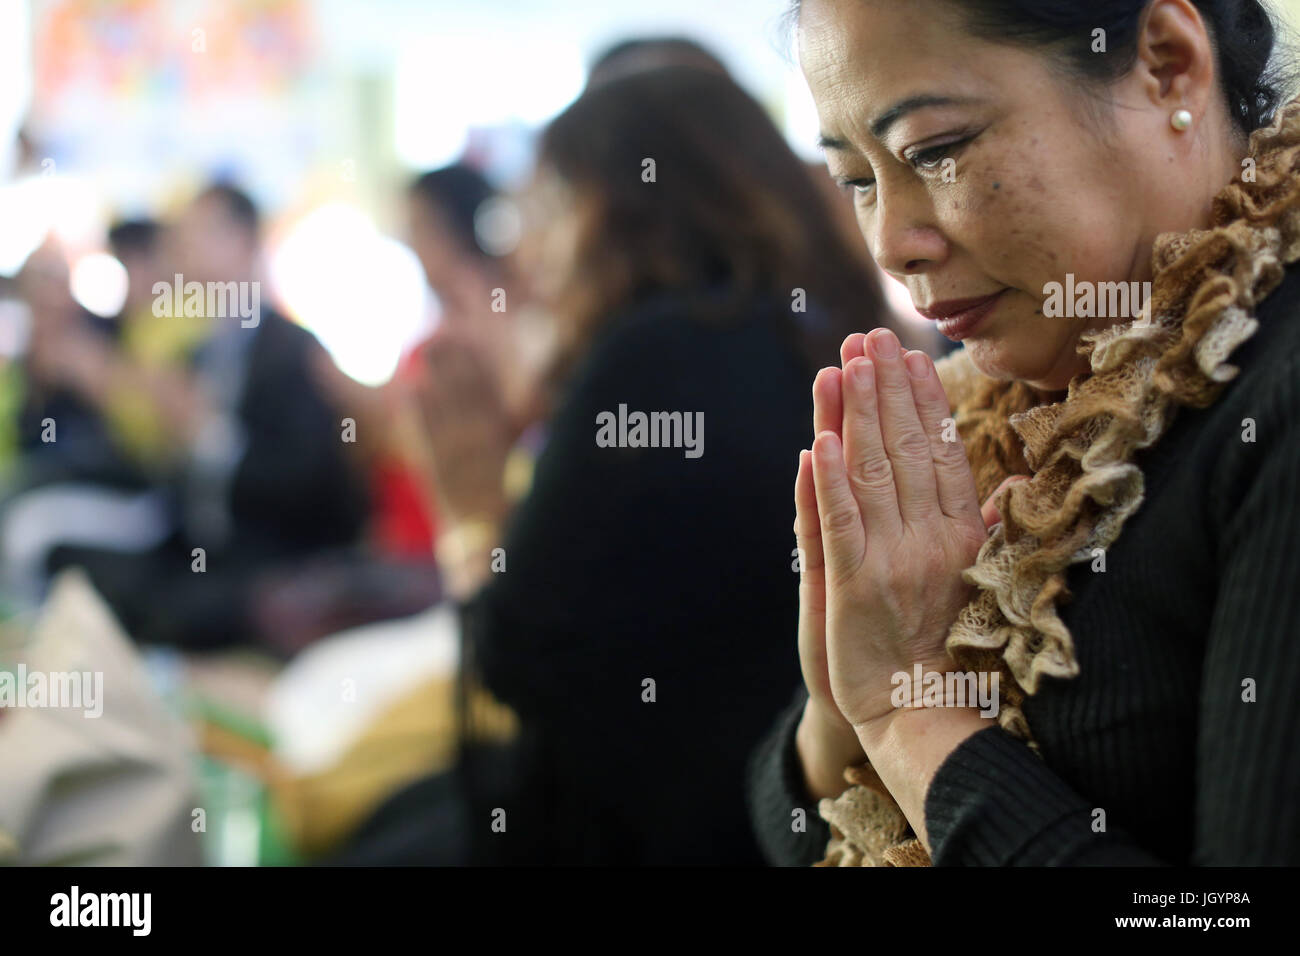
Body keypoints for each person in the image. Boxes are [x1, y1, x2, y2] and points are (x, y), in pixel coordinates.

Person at [748, 0, 1300, 866]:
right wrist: (838, 703)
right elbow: (781, 817)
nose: (891, 243)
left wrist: (909, 716)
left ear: (1166, 63)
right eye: (857, 180)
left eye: (936, 150)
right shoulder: (986, 409)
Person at [334, 65, 908, 865]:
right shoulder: (799, 326)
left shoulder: (655, 352)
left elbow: (516, 658)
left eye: (542, 213)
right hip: (766, 804)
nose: (529, 254)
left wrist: (466, 508)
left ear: (606, 209)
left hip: (668, 823)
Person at [46, 183, 370, 649]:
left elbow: (305, 484)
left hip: (274, 561)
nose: (181, 251)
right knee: (80, 569)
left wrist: (206, 435)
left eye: (198, 234)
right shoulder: (201, 350)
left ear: (244, 243)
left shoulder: (290, 352)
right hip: (202, 549)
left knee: (170, 610)